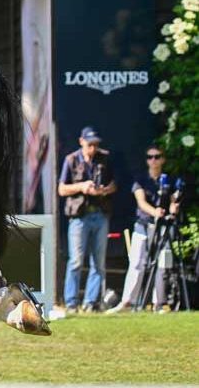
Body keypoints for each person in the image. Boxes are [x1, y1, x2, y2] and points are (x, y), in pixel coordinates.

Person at [107, 145, 179, 313]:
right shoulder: (140, 179)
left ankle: (159, 303)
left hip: (163, 227)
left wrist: (173, 206)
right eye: (150, 157)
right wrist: (155, 212)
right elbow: (141, 202)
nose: (153, 160)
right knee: (137, 263)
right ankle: (128, 303)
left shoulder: (169, 180)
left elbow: (174, 199)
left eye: (157, 156)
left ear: (162, 159)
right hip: (143, 225)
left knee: (162, 264)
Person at [58, 126, 116, 313]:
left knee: (98, 262)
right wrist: (82, 186)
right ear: (81, 141)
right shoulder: (71, 159)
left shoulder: (104, 158)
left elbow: (115, 184)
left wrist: (105, 190)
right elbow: (62, 189)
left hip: (100, 214)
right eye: (90, 144)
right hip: (79, 217)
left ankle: (91, 302)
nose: (93, 148)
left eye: (95, 145)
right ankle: (71, 302)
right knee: (75, 261)